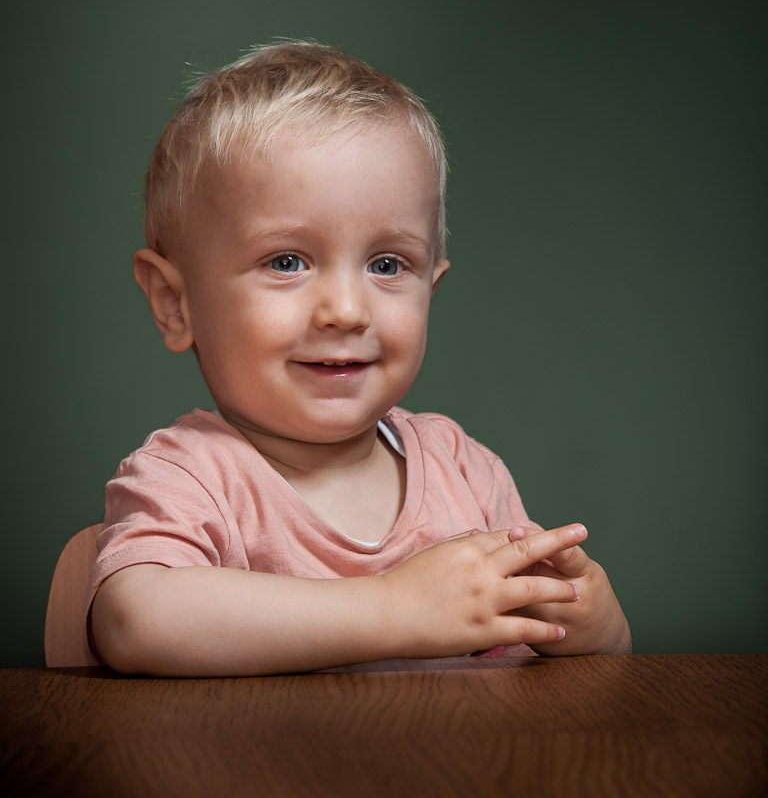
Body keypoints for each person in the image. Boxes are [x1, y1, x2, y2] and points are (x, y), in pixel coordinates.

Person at [87, 42, 631, 675]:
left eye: (386, 265)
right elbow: (134, 620)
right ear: (175, 303)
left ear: (431, 289)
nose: (346, 310)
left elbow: (593, 662)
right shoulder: (192, 478)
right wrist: (395, 608)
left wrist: (591, 621)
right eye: (286, 261)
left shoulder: (465, 473)